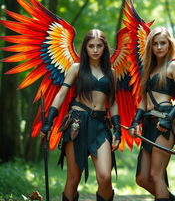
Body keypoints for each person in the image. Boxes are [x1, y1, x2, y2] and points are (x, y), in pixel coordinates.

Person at [40, 29, 121, 201]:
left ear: (105, 48)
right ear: (85, 48)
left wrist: (118, 131)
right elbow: (61, 94)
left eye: (99, 46)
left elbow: (112, 102)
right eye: (91, 46)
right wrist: (49, 121)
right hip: (77, 124)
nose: (95, 50)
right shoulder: (76, 68)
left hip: (100, 126)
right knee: (73, 179)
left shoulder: (111, 73)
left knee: (105, 177)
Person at [129, 26, 175, 201]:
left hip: (165, 121)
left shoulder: (174, 66)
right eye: (155, 44)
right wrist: (135, 121)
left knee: (156, 175)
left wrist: (169, 119)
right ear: (151, 47)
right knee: (141, 178)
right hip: (148, 123)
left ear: (169, 45)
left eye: (163, 43)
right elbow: (143, 100)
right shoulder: (149, 69)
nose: (159, 47)